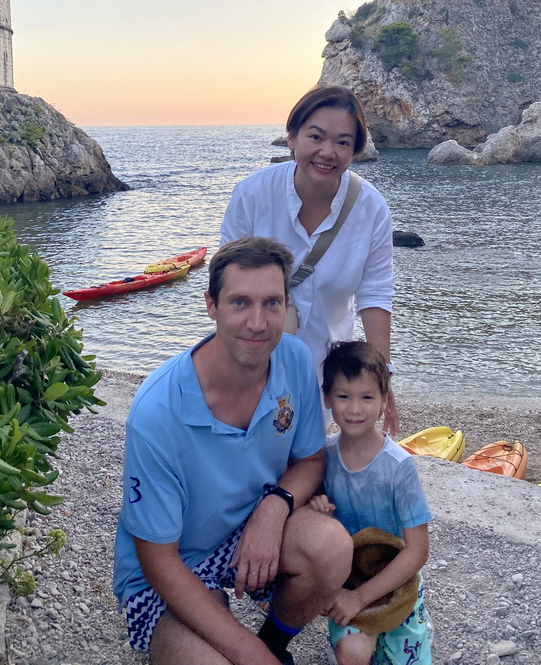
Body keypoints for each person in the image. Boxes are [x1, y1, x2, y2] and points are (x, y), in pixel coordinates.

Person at [113, 237, 354, 665]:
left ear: (287, 306)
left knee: (331, 548)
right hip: (172, 567)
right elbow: (158, 561)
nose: (258, 323)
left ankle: (275, 643)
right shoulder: (156, 413)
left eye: (272, 303)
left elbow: (310, 460)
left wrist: (274, 507)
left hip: (250, 531)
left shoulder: (294, 359)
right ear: (211, 305)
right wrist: (248, 655)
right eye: (240, 302)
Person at [221, 85, 398, 433]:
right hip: (253, 357)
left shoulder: (371, 209)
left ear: (356, 150)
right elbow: (228, 284)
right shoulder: (253, 194)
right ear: (291, 137)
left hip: (323, 369)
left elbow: (375, 295)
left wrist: (381, 376)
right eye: (315, 136)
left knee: (307, 459)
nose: (327, 152)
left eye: (343, 142)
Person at [308, 340, 432, 665]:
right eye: (343, 396)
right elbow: (306, 524)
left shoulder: (399, 466)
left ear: (383, 402)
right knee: (352, 654)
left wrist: (360, 599)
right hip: (347, 576)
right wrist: (314, 508)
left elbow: (417, 550)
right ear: (327, 398)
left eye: (367, 397)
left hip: (393, 574)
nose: (354, 409)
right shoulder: (322, 458)